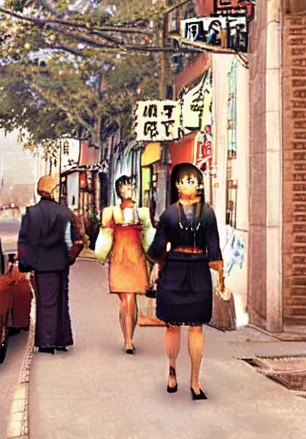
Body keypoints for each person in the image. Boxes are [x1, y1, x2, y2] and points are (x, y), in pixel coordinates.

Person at [146, 163, 224, 401]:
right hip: (179, 270)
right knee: (173, 325)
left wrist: (221, 276)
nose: (190, 185)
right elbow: (158, 248)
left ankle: (194, 379)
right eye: (185, 180)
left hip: (192, 270)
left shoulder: (202, 213)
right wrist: (155, 268)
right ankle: (173, 372)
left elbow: (214, 247)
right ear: (177, 185)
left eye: (193, 180)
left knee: (196, 326)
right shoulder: (171, 214)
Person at [17, 174, 82, 354]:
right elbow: (72, 239)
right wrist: (69, 258)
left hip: (41, 266)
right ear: (52, 190)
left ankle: (46, 342)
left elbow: (24, 241)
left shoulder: (31, 213)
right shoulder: (65, 213)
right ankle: (62, 339)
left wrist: (24, 263)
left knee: (45, 303)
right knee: (62, 301)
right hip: (61, 263)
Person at [94, 175, 156, 354]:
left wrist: (154, 257)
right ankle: (127, 338)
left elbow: (148, 236)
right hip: (119, 258)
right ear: (119, 190)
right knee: (125, 299)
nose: (130, 189)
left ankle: (130, 336)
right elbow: (105, 235)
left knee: (132, 299)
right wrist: (101, 253)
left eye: (131, 186)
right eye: (126, 187)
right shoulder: (110, 212)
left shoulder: (142, 212)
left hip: (136, 258)